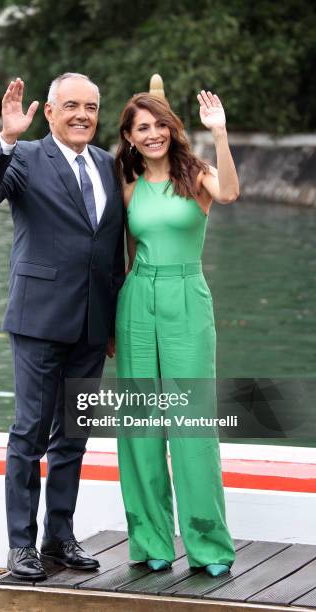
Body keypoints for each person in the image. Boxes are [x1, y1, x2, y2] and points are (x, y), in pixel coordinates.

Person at [0, 73, 125, 580]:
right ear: (52, 111)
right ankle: (21, 545)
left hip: (92, 323)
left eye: (92, 107)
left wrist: (114, 321)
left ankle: (60, 537)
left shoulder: (107, 164)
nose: (83, 115)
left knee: (73, 438)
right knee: (29, 433)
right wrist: (7, 138)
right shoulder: (27, 156)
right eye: (72, 106)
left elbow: (110, 247)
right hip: (38, 320)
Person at [115, 90, 239, 576]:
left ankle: (208, 545)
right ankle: (151, 540)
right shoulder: (128, 187)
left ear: (172, 128)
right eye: (141, 128)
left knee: (193, 427)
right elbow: (127, 258)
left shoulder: (198, 176)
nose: (152, 134)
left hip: (187, 298)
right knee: (140, 427)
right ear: (129, 137)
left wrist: (221, 132)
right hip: (137, 303)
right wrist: (112, 327)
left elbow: (230, 193)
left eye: (159, 125)